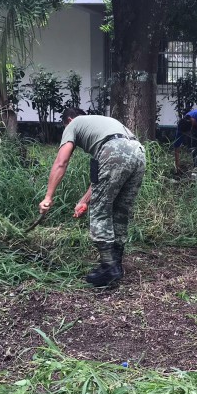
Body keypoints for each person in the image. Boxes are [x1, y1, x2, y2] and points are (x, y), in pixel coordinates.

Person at [39, 108, 146, 287]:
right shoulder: (101, 124)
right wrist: (83, 201)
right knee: (120, 212)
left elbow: (61, 162)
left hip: (114, 151)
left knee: (100, 212)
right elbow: (102, 177)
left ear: (70, 119)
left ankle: (108, 268)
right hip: (138, 152)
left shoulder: (74, 124)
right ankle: (117, 266)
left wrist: (48, 197)